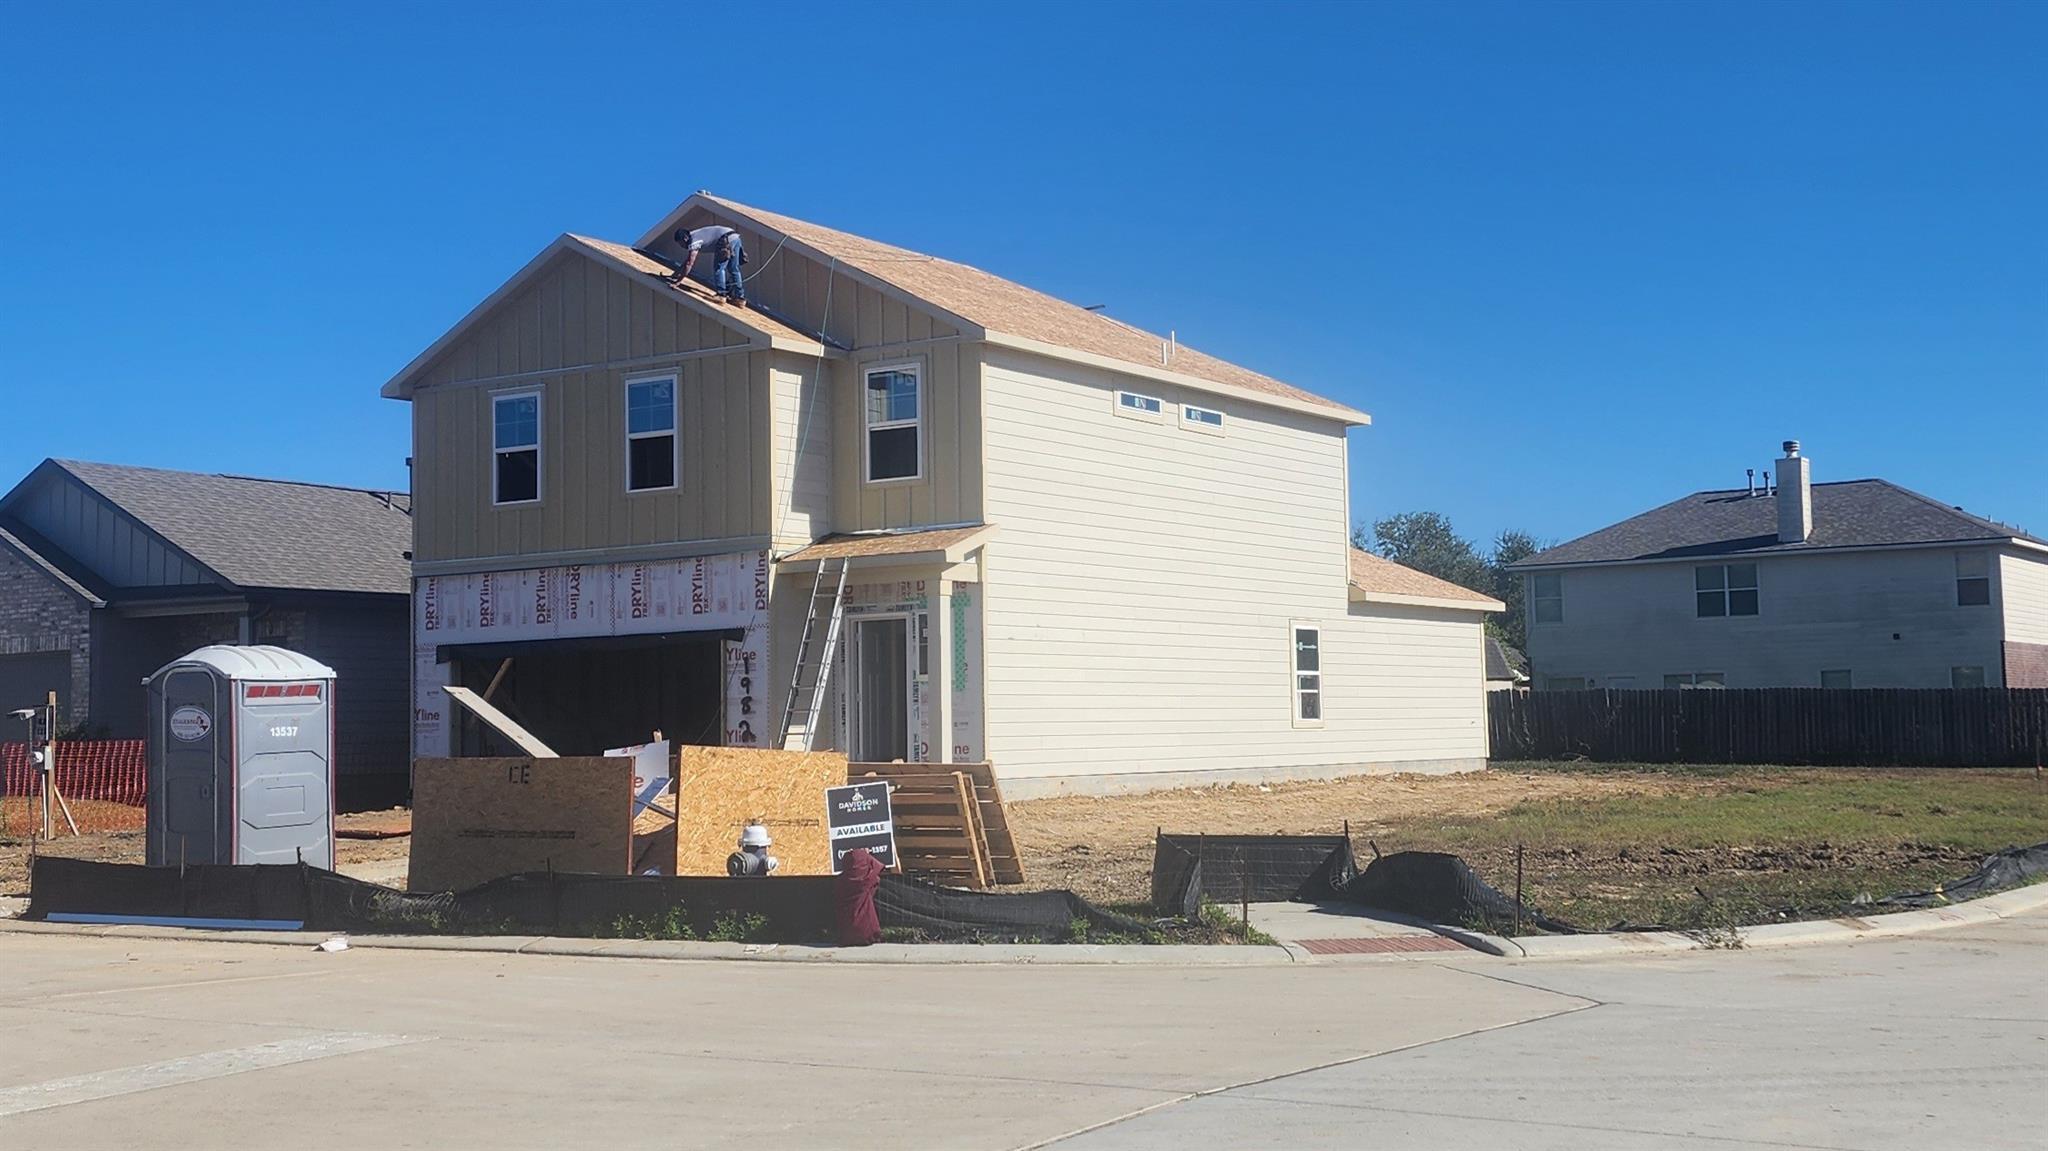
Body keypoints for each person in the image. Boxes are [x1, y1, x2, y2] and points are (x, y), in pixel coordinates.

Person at [673, 224, 747, 306]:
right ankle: (739, 298)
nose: (682, 246)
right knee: (734, 269)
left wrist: (678, 282)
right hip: (735, 237)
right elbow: (687, 261)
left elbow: (689, 263)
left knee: (719, 268)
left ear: (685, 239)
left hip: (725, 239)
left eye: (680, 244)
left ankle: (721, 295)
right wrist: (675, 274)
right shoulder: (693, 234)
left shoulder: (694, 241)